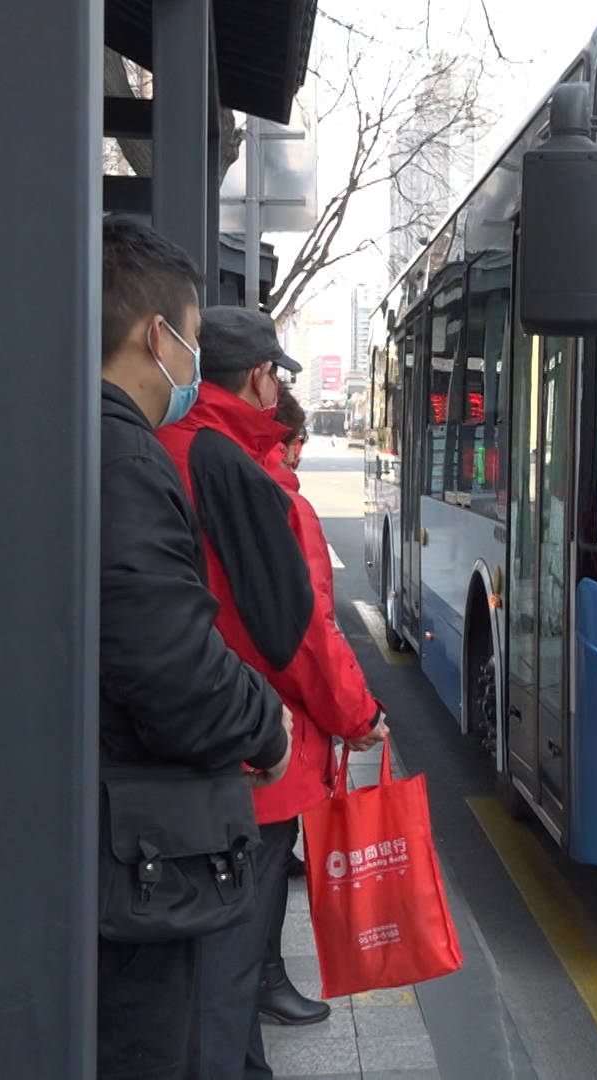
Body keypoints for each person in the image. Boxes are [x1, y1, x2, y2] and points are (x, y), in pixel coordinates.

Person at [156, 306, 387, 1078]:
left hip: (183, 744)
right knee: (227, 964)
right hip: (259, 753)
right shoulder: (237, 473)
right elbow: (299, 634)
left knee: (213, 963)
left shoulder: (163, 450)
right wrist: (360, 716)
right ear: (259, 377)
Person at [97, 217, 295, 1080]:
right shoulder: (125, 456)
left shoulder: (84, 437)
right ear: (159, 337)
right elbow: (176, 667)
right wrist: (269, 721)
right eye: (189, 336)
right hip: (128, 835)